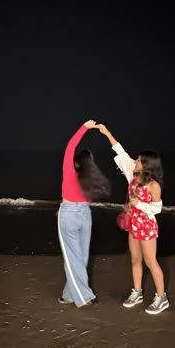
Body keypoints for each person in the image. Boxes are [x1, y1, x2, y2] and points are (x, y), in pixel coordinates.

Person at [96, 123, 169, 315]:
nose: (135, 160)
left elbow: (157, 208)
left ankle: (161, 298)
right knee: (135, 259)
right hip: (133, 225)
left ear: (147, 165)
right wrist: (107, 133)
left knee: (150, 262)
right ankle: (137, 292)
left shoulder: (154, 186)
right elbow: (121, 154)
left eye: (138, 160)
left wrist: (139, 206)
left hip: (147, 226)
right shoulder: (133, 175)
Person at [58, 120, 111, 308]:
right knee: (81, 257)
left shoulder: (69, 170)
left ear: (76, 162)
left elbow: (70, 146)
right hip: (85, 215)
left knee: (73, 258)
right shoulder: (90, 180)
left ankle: (84, 296)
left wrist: (84, 127)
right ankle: (68, 296)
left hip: (69, 214)